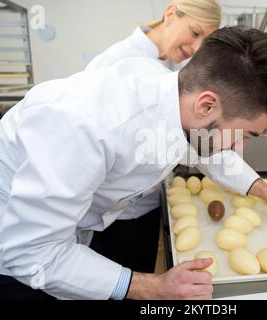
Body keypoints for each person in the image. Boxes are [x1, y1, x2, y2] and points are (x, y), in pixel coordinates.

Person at [0, 26, 267, 300]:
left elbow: (207, 146)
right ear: (206, 105)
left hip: (58, 229)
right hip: (4, 240)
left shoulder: (174, 97)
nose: (239, 146)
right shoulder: (88, 126)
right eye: (247, 134)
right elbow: (32, 254)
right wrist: (152, 286)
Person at [87, 0, 225, 274]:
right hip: (110, 214)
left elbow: (190, 140)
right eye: (195, 33)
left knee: (144, 274)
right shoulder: (114, 64)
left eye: (204, 42)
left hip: (148, 206)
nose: (196, 49)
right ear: (171, 14)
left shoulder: (175, 69)